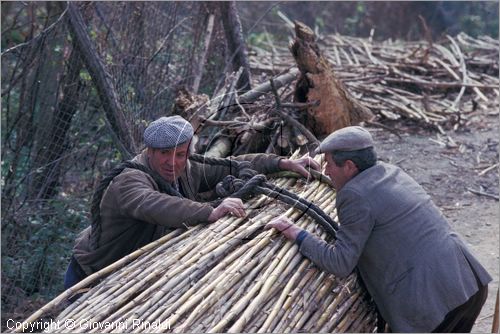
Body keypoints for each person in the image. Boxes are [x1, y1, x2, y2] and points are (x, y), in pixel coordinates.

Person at [266, 126, 492, 333]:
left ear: (350, 166)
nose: (326, 170)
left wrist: (298, 234)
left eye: (329, 163)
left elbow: (340, 262)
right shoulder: (390, 172)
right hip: (467, 283)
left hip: (434, 305)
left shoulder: (354, 195)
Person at [65, 115, 319, 290]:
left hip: (124, 279)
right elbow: (155, 204)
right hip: (92, 277)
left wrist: (282, 163)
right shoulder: (130, 181)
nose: (172, 162)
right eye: (164, 153)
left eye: (180, 154)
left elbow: (233, 163)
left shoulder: (187, 167)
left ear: (188, 151)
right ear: (149, 151)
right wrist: (210, 211)